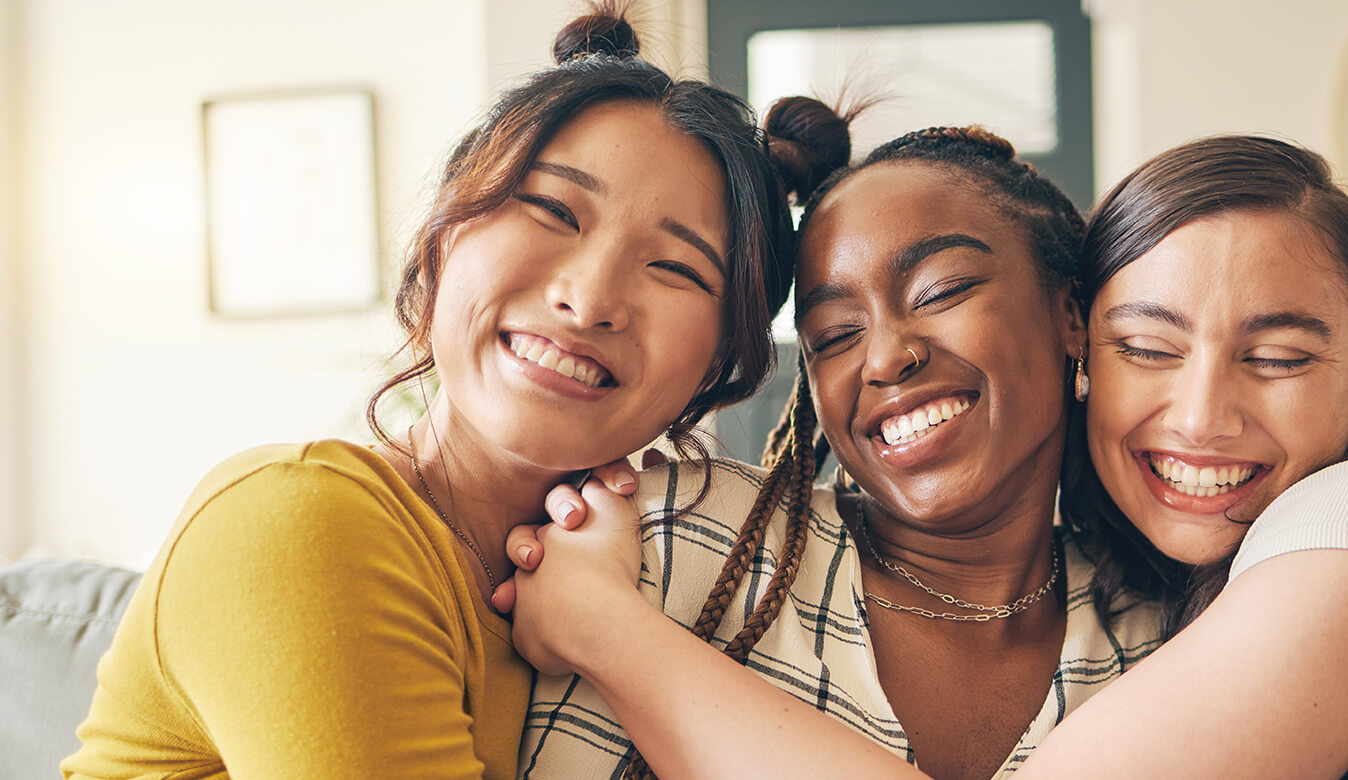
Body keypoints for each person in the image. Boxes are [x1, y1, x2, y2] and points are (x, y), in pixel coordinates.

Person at [501, 124, 1348, 779]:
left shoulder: (1169, 634)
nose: (884, 356)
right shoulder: (673, 536)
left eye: (943, 292)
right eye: (833, 335)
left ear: (1068, 322)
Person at [61, 7, 822, 777]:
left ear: (720, 362)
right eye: (554, 210)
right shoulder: (301, 519)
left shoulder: (659, 575)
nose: (590, 299)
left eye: (676, 268)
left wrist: (607, 623)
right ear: (443, 236)